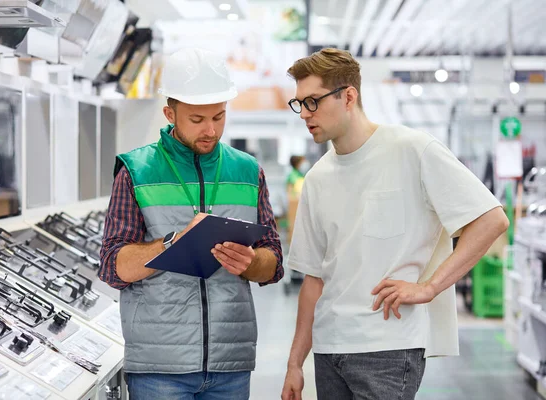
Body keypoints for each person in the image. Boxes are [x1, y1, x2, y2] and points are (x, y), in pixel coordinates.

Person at [280, 48, 509, 400]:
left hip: (389, 348)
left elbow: (491, 219)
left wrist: (430, 287)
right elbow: (313, 278)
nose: (305, 114)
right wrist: (295, 363)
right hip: (329, 349)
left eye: (312, 101)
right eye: (299, 104)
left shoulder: (412, 150)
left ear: (349, 96)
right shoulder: (317, 178)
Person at [99, 47, 284, 400]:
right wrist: (174, 242)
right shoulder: (136, 171)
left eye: (219, 116)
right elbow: (112, 267)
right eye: (197, 120)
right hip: (159, 369)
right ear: (170, 113)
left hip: (231, 363)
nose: (211, 130)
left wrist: (251, 263)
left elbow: (273, 262)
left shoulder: (247, 170)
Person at [286, 155, 308, 243]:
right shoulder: (292, 176)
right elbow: (290, 193)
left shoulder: (302, 175)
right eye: (302, 162)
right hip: (295, 205)